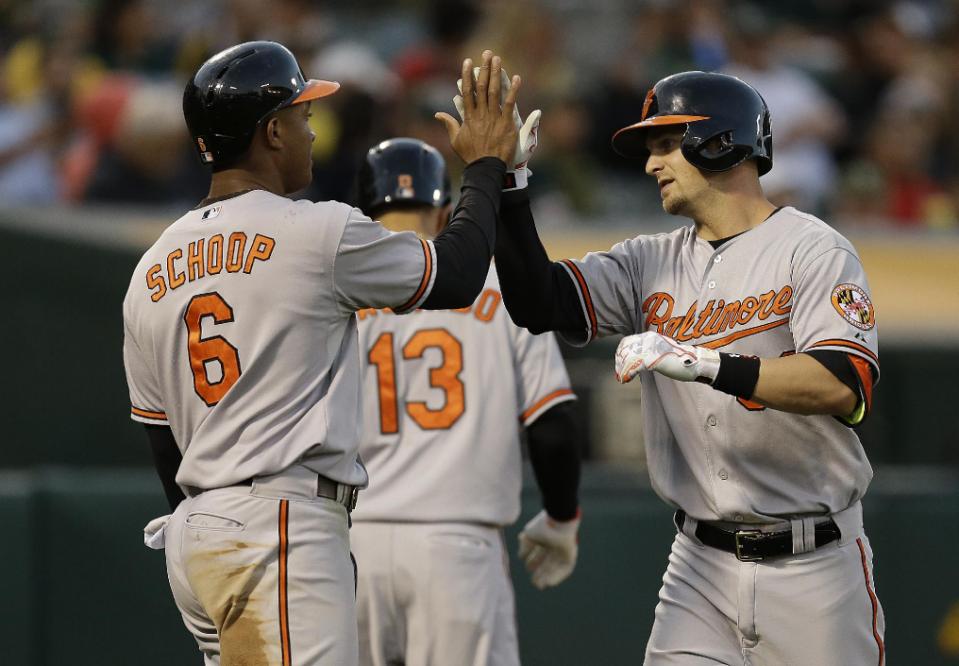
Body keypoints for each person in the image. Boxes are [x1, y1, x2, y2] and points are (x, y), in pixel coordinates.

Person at [123, 42, 519, 665]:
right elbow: (459, 273)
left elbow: (161, 440)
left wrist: (213, 519)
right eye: (303, 117)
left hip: (197, 536)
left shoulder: (150, 269)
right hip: (278, 524)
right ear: (272, 131)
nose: (313, 131)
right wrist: (487, 165)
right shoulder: (313, 231)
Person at [491, 71, 885, 665]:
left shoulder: (814, 249)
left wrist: (705, 363)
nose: (652, 165)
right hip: (699, 565)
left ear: (721, 140)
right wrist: (509, 186)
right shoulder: (648, 260)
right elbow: (536, 300)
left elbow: (840, 384)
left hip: (814, 565)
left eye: (665, 144)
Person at [349, 137, 582, 666]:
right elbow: (553, 423)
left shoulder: (342, 291)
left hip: (349, 546)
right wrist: (561, 517)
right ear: (447, 213)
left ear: (362, 213)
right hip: (457, 548)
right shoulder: (499, 288)